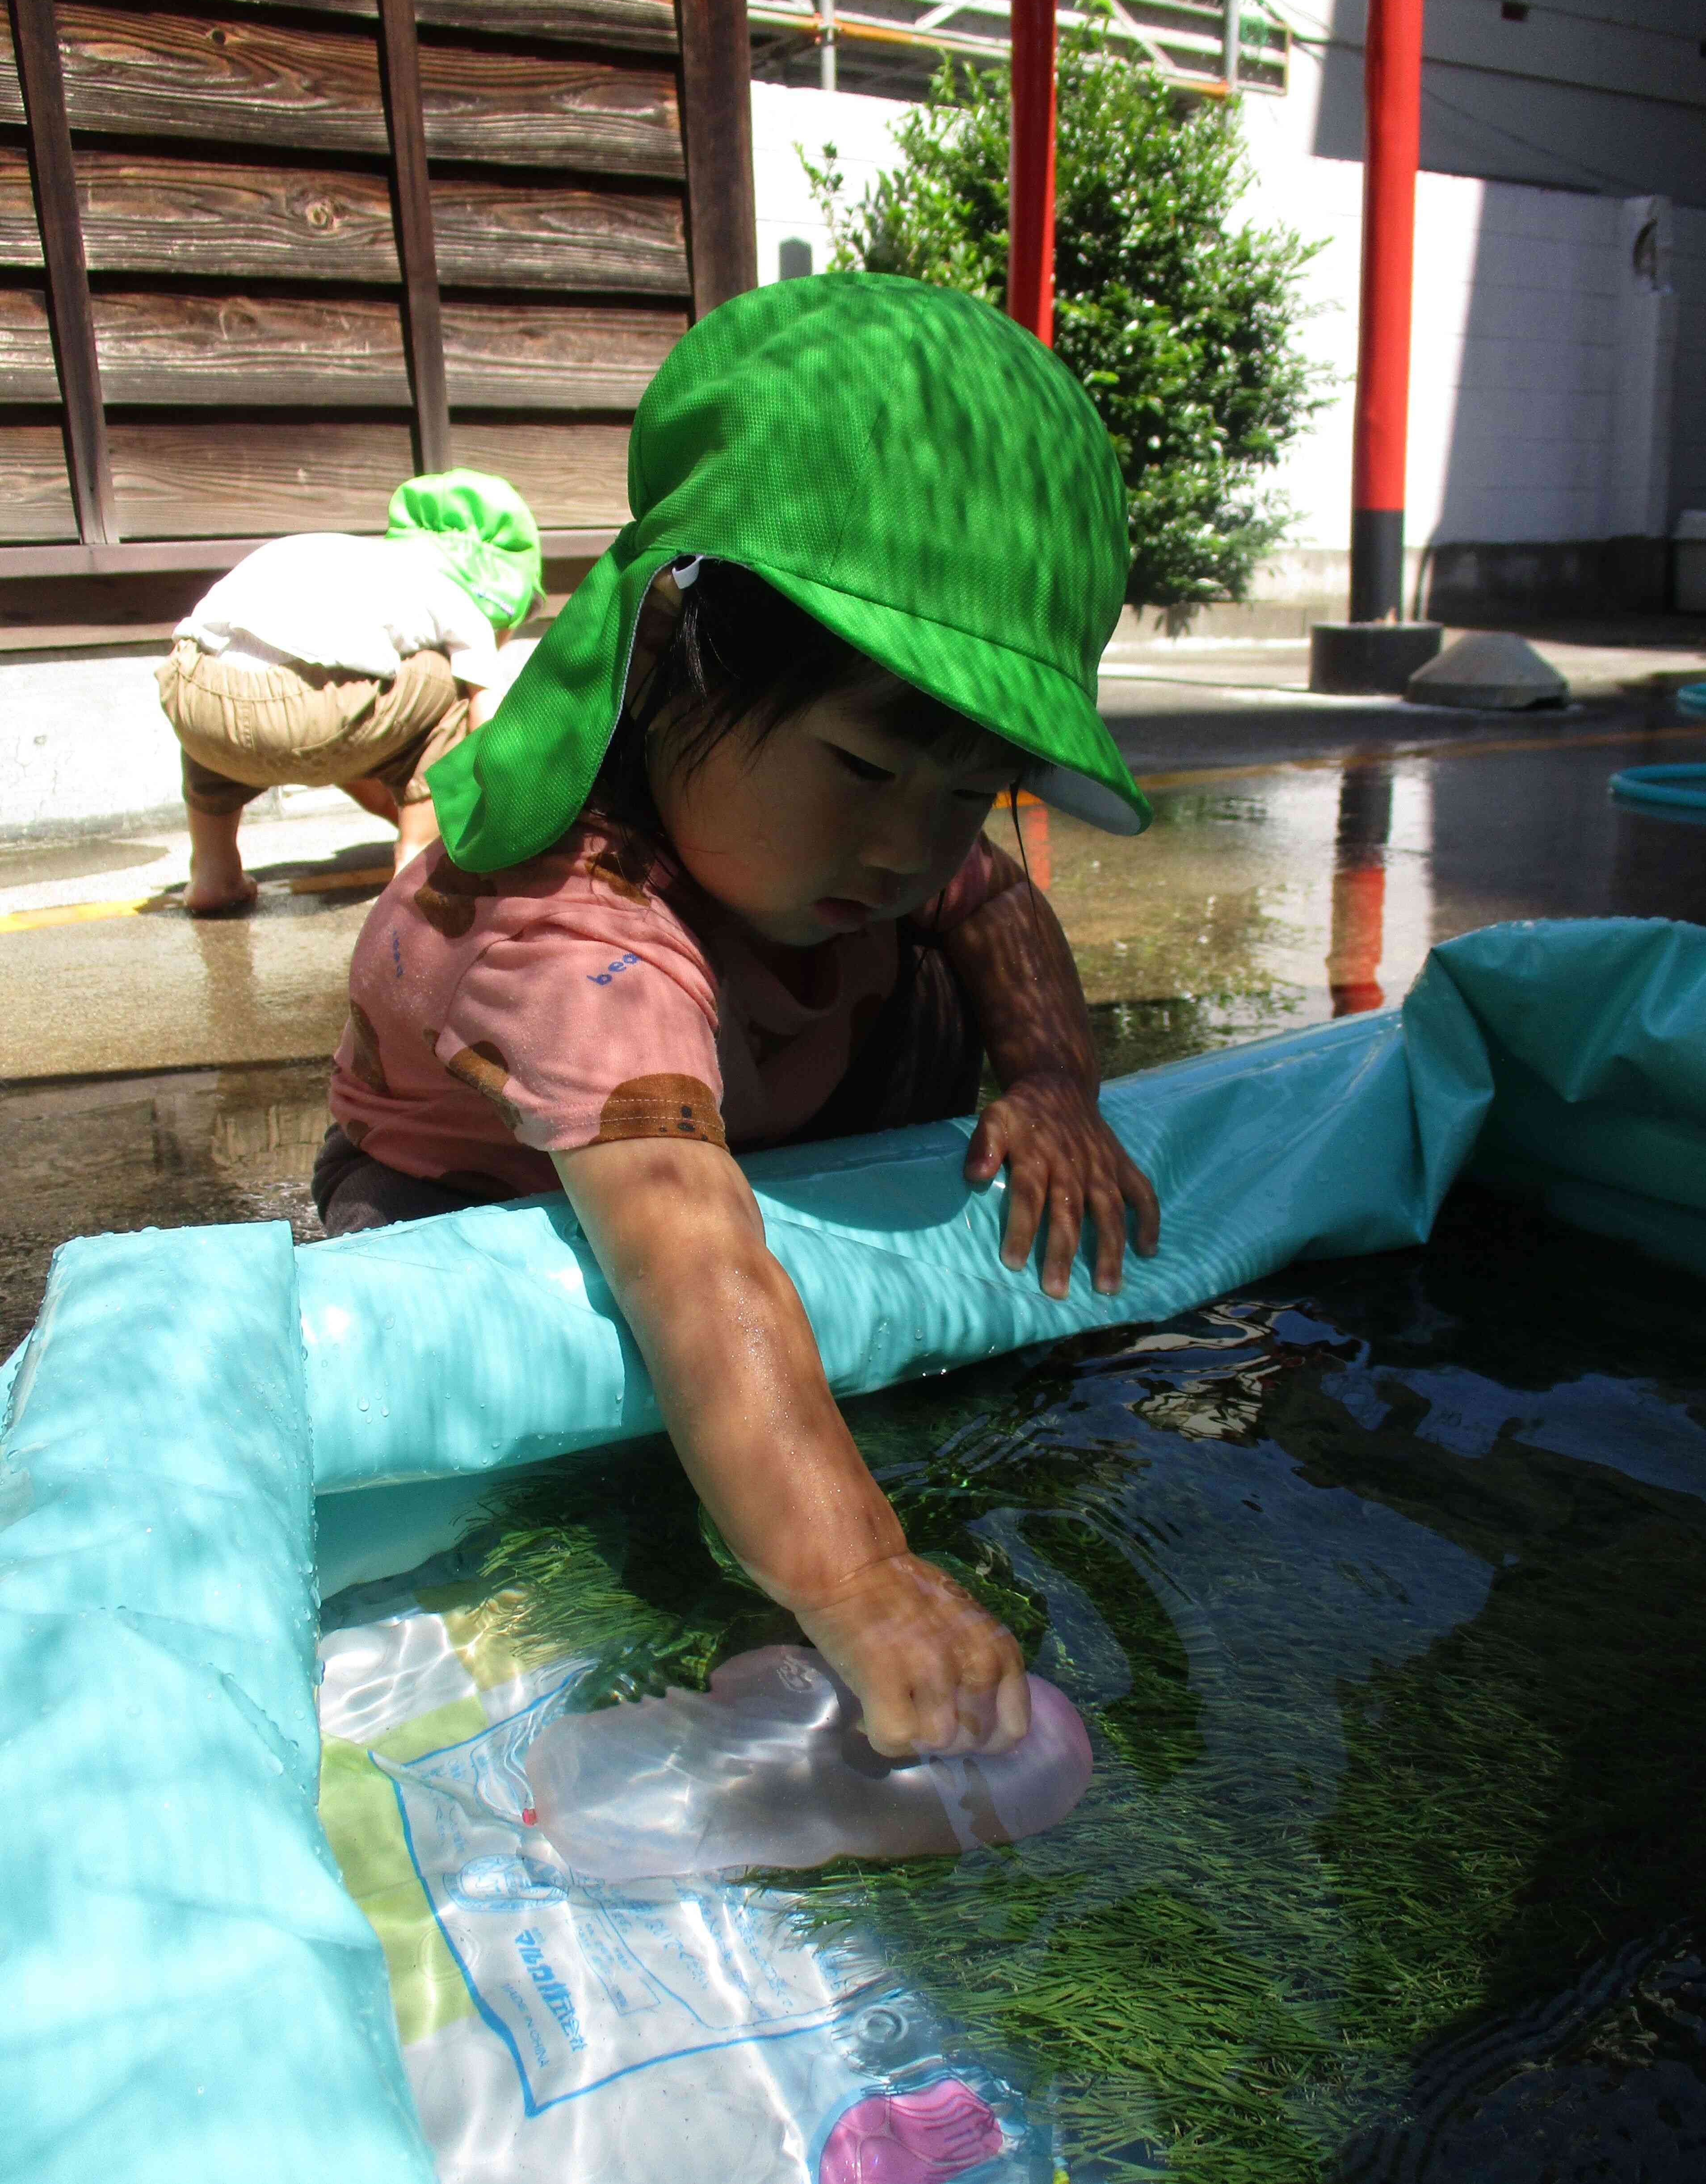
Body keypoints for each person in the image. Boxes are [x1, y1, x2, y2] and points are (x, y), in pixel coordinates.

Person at [313, 275, 1160, 1765]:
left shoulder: (851, 847)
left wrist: (1047, 1081)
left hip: (771, 1086)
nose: (909, 841)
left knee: (925, 956)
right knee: (533, 1466)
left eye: (966, 785)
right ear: (671, 669)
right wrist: (858, 1577)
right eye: (861, 769)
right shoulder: (573, 930)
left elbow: (991, 906)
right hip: (488, 1189)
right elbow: (703, 1284)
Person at [155, 468, 545, 912]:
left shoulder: (348, 556)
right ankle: (417, 865)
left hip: (192, 698)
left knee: (222, 671)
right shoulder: (455, 597)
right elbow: (484, 718)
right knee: (454, 684)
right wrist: (492, 810)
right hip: (315, 714)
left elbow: (350, 754)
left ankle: (213, 872)